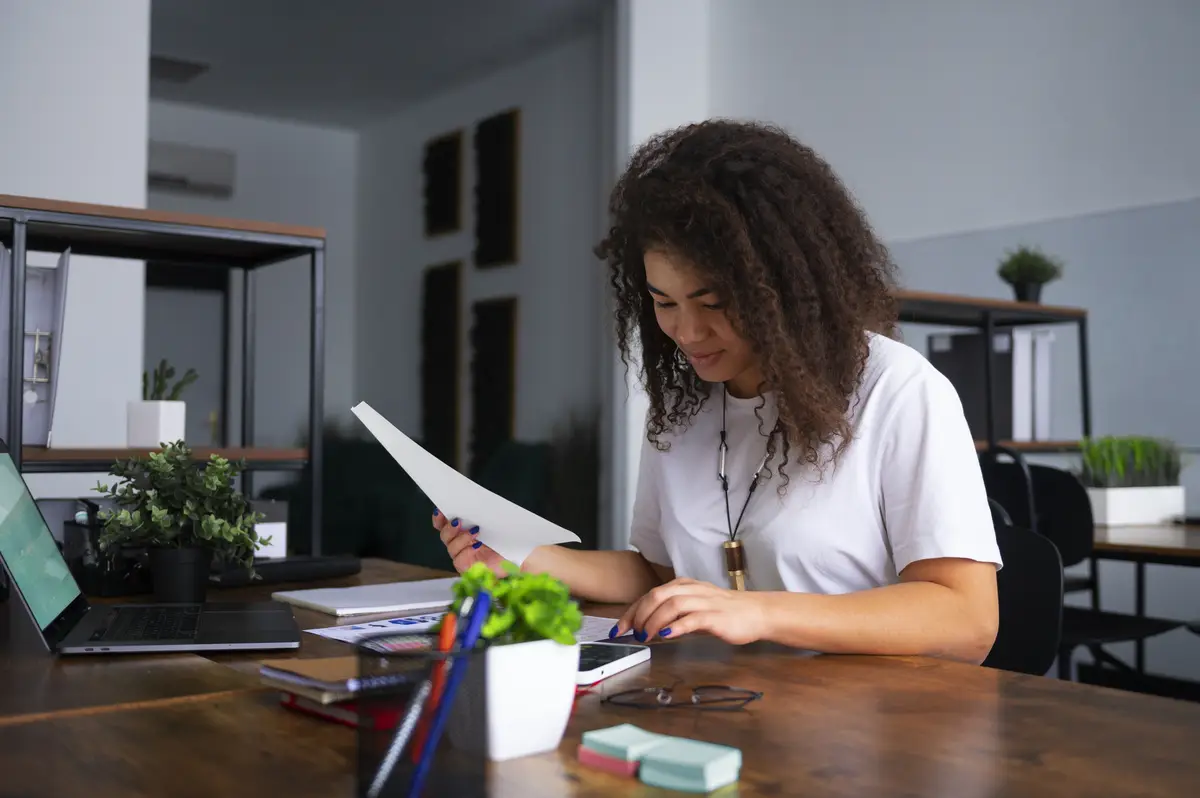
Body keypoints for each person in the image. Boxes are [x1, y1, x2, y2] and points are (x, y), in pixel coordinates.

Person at [434, 119, 1002, 664]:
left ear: (784, 289)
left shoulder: (897, 390)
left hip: (870, 713)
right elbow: (662, 575)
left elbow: (967, 620)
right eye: (663, 302)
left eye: (713, 303)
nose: (686, 332)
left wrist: (760, 613)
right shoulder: (684, 406)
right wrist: (526, 557)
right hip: (724, 695)